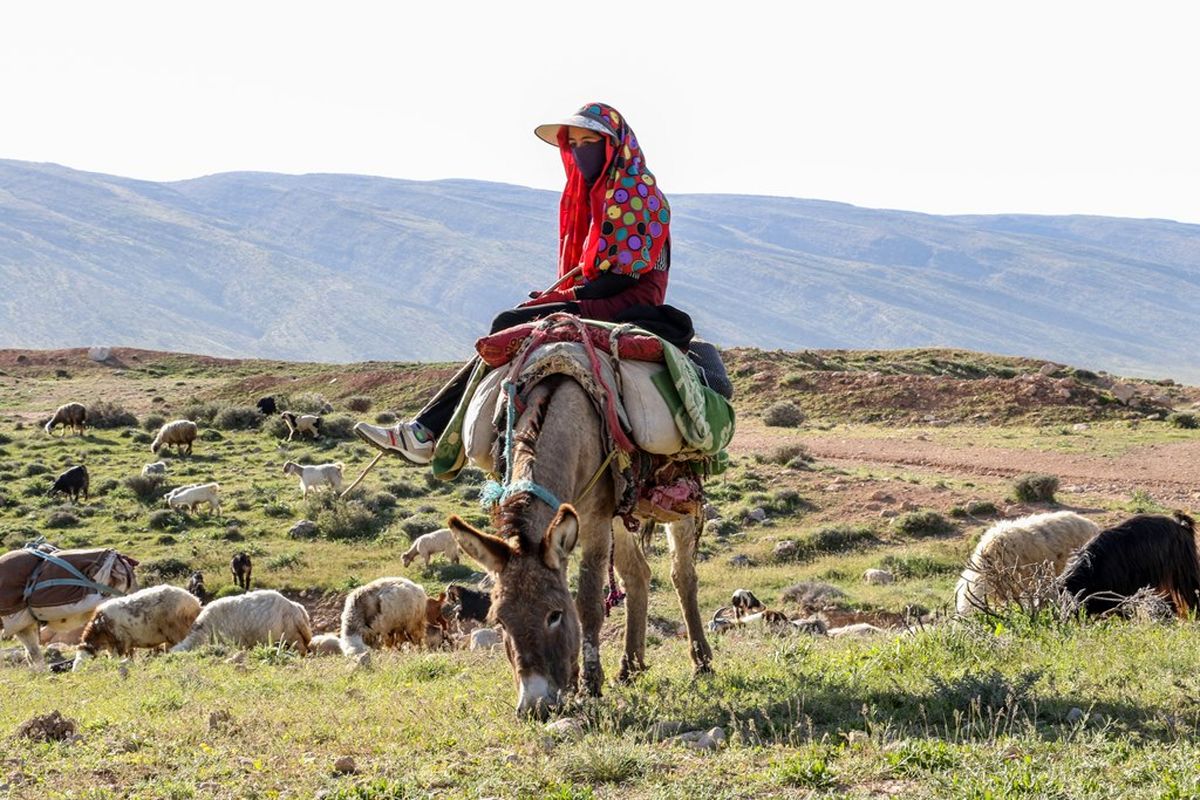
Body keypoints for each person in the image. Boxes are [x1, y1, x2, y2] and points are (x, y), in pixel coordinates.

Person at [354, 102, 673, 464]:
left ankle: (428, 432)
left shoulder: (634, 193)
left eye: (591, 142)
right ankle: (431, 431)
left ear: (613, 146)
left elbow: (622, 276)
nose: (581, 152)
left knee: (509, 323)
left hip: (629, 301)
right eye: (575, 144)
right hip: (603, 293)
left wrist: (563, 296)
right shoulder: (602, 194)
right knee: (515, 320)